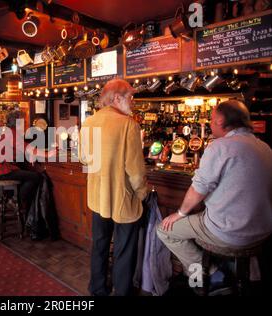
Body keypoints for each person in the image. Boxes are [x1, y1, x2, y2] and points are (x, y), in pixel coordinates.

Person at [157, 100, 272, 287]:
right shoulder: (265, 147)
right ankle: (248, 272)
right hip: (263, 231)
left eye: (210, 119)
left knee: (164, 230)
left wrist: (180, 214)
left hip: (230, 232)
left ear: (219, 121)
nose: (210, 124)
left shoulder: (220, 147)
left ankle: (212, 275)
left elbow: (198, 189)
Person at [80, 79, 148, 296]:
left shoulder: (89, 122)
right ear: (117, 98)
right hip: (122, 199)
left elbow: (83, 159)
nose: (133, 101)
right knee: (124, 250)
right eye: (130, 96)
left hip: (97, 198)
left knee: (99, 245)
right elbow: (135, 171)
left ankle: (98, 289)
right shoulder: (129, 125)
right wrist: (142, 193)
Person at [0, 109, 56, 213]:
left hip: (2, 169)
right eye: (24, 121)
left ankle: (23, 204)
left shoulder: (10, 132)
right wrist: (48, 154)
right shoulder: (12, 134)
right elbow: (27, 148)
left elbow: (22, 149)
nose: (26, 123)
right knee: (36, 177)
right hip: (3, 171)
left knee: (31, 175)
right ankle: (16, 201)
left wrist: (31, 155)